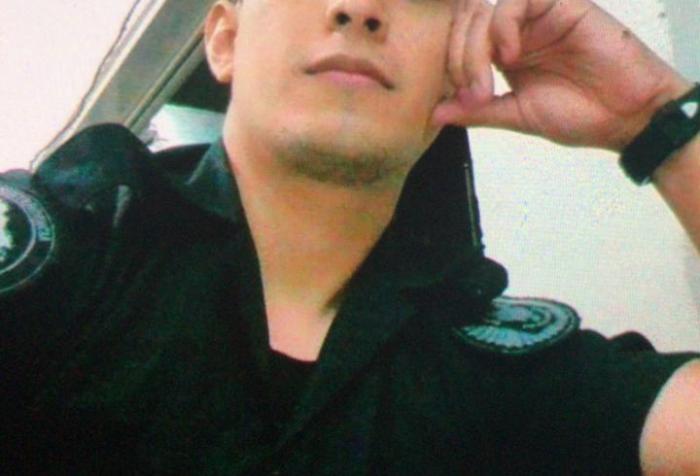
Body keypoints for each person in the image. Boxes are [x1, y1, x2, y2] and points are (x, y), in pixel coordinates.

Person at [1, 0, 699, 473]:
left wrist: (654, 116)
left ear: (459, 65)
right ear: (225, 40)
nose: (360, 7)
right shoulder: (68, 258)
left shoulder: (503, 374)